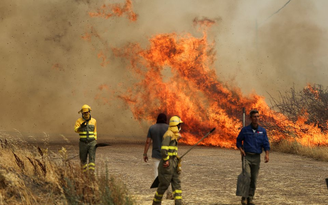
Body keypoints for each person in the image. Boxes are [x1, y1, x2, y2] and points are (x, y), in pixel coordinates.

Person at [236, 110, 270, 205]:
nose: (256, 118)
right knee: (246, 176)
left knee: (254, 180)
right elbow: (238, 141)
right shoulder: (245, 130)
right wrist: (241, 150)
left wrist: (267, 155)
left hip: (256, 157)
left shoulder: (262, 131)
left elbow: (266, 143)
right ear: (250, 118)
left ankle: (250, 198)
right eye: (254, 116)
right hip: (247, 156)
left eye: (258, 116)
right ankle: (244, 197)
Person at [152, 116, 183, 205]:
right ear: (175, 125)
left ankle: (179, 203)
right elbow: (164, 149)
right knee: (164, 185)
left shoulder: (173, 134)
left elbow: (177, 138)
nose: (180, 126)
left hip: (174, 163)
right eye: (179, 125)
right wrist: (166, 160)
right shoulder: (168, 135)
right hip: (167, 164)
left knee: (177, 184)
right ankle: (156, 203)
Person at [143, 113, 169, 178]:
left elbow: (148, 142)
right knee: (166, 173)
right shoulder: (169, 128)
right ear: (165, 119)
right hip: (167, 154)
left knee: (156, 173)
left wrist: (145, 154)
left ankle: (158, 186)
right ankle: (165, 186)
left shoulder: (152, 128)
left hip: (156, 154)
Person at [74, 104, 97, 173]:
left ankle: (91, 174)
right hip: (83, 143)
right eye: (84, 113)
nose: (86, 114)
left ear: (89, 112)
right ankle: (84, 175)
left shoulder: (94, 121)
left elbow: (95, 132)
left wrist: (95, 141)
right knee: (83, 159)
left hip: (92, 142)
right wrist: (81, 127)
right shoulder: (79, 121)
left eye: (87, 112)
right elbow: (75, 130)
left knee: (92, 159)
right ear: (82, 113)